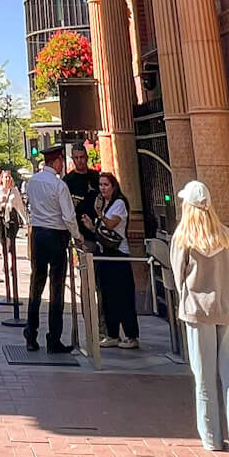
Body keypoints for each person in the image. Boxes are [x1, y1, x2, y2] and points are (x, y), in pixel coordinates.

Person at [171, 179, 229, 455]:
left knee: (204, 376)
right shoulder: (226, 237)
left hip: (198, 310)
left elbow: (177, 276)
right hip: (227, 309)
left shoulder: (183, 238)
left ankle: (211, 437)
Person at [23, 142, 78, 354]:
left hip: (37, 235)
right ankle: (53, 338)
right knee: (56, 288)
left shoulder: (33, 182)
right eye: (61, 161)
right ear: (56, 162)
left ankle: (31, 332)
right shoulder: (59, 185)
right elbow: (69, 217)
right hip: (56, 236)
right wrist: (78, 236)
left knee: (36, 285)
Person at [91, 170, 139, 349]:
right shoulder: (106, 204)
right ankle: (112, 334)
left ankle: (130, 335)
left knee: (122, 295)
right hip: (106, 253)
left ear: (113, 186)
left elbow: (111, 224)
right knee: (108, 295)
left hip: (118, 254)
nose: (102, 188)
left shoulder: (118, 203)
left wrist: (100, 215)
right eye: (101, 185)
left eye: (106, 185)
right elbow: (102, 229)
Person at [0, 167, 24, 303]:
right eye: (5, 177)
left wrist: (26, 220)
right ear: (1, 179)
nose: (8, 179)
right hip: (1, 221)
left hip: (12, 222)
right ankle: (5, 264)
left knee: (11, 245)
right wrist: (0, 204)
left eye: (9, 177)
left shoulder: (15, 191)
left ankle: (12, 264)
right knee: (3, 243)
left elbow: (20, 206)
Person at [64, 143, 99, 241]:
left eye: (82, 157)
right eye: (76, 158)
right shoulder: (68, 180)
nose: (79, 160)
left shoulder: (96, 177)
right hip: (78, 229)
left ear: (86, 157)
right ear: (73, 159)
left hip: (95, 227)